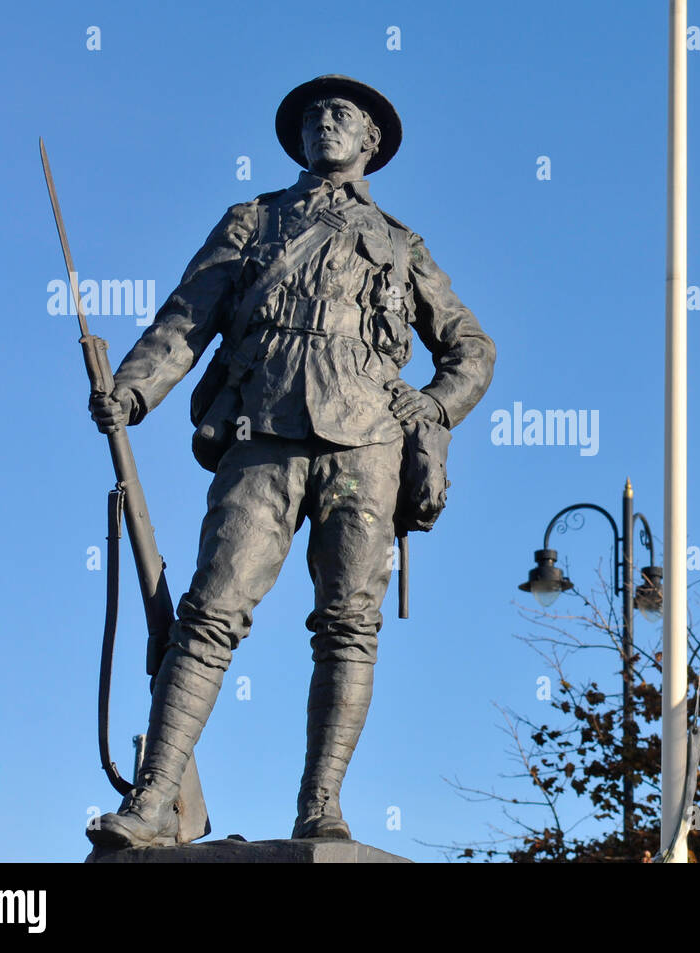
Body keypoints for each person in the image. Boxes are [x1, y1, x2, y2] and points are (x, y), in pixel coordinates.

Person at [85, 74, 495, 849]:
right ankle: (151, 802)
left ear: (371, 140)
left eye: (343, 114)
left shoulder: (403, 245)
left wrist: (434, 405)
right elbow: (186, 318)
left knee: (349, 627)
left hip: (367, 442)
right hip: (263, 429)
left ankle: (321, 806)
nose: (325, 122)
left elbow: (472, 347)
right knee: (208, 613)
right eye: (314, 116)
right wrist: (133, 392)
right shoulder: (253, 220)